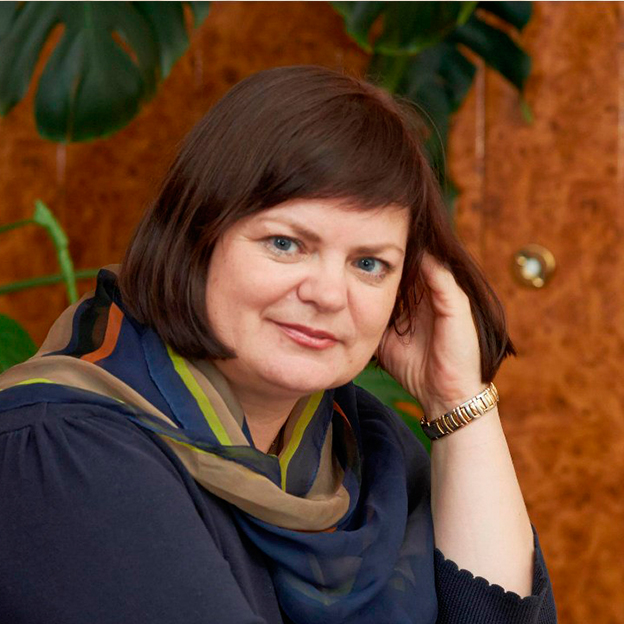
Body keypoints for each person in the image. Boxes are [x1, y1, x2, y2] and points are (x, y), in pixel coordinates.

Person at [0, 65, 556, 623]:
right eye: (286, 244)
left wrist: (456, 399)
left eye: (369, 264)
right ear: (196, 236)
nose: (328, 294)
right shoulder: (62, 450)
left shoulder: (362, 444)